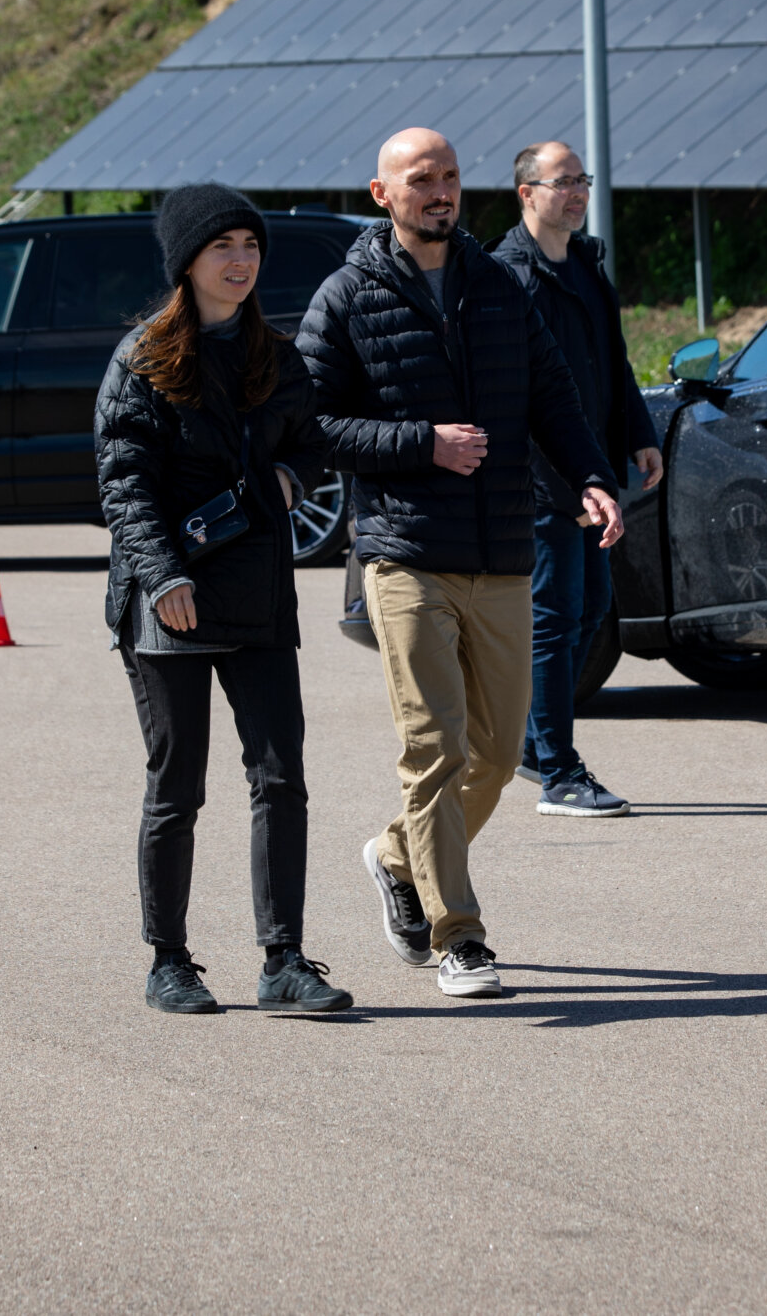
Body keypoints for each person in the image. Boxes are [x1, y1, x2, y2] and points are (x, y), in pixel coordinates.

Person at [298, 128, 623, 999]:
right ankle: (460, 937)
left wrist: (592, 475)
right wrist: (422, 443)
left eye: (449, 175)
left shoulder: (499, 285)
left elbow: (552, 394)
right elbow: (311, 423)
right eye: (421, 178)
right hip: (406, 553)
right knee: (435, 746)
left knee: (498, 751)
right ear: (382, 193)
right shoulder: (346, 296)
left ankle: (395, 854)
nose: (440, 190)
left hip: (503, 552)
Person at [96, 182, 351, 1017]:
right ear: (187, 262)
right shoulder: (142, 358)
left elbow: (311, 441)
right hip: (167, 598)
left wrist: (290, 478)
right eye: (223, 247)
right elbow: (124, 481)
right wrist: (164, 575)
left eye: (251, 245)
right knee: (179, 786)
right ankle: (168, 960)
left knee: (281, 778)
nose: (242, 261)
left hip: (260, 594)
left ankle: (284, 959)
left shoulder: (276, 356)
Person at [492, 141, 664, 817]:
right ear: (526, 193)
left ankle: (536, 747)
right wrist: (565, 483)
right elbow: (515, 393)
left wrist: (640, 433)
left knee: (591, 610)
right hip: (544, 480)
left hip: (592, 470)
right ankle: (559, 773)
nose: (577, 192)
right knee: (556, 619)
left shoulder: (587, 265)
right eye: (561, 181)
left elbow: (612, 362)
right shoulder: (509, 275)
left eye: (581, 180)